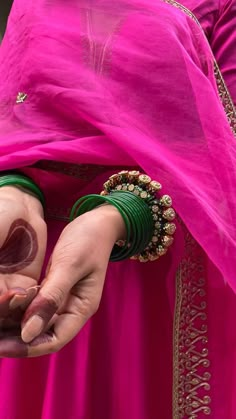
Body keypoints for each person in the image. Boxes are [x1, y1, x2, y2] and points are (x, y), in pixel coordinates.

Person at [0, 0, 235, 417]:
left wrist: (126, 212)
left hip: (161, 271)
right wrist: (12, 188)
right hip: (39, 265)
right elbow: (19, 120)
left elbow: (223, 157)